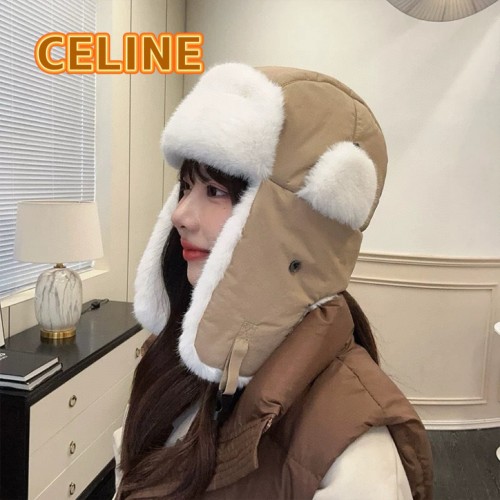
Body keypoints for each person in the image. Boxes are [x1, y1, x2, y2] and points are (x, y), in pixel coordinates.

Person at [114, 64, 433, 499]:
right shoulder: (175, 353)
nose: (180, 215)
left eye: (215, 191)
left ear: (299, 226)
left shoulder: (359, 457)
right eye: (185, 187)